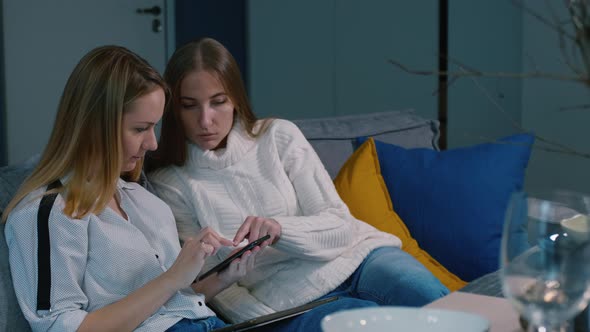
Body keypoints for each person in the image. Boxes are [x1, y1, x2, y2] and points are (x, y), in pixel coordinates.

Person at [146, 37, 450, 331]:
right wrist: (263, 319)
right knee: (365, 322)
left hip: (359, 258)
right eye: (189, 105)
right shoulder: (171, 183)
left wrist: (280, 230)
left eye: (218, 102)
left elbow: (340, 226)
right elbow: (206, 281)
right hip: (288, 302)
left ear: (236, 99)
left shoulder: (278, 136)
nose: (205, 120)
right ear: (174, 109)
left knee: (433, 301)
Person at [1, 45, 259, 332]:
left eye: (154, 127)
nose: (152, 144)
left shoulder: (143, 201)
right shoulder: (50, 212)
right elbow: (62, 327)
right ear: (95, 126)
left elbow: (169, 306)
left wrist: (222, 277)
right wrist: (172, 277)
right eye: (139, 129)